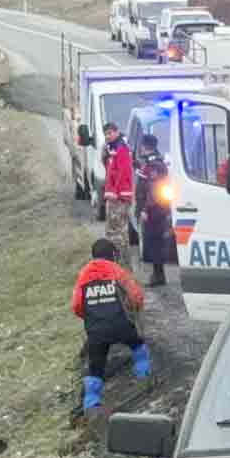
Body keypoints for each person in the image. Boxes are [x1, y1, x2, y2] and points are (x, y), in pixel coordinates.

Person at [72, 238, 149, 411]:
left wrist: (92, 316)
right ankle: (144, 374)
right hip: (121, 325)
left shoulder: (84, 275)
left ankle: (91, 403)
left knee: (95, 367)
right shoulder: (116, 270)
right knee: (137, 345)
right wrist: (134, 310)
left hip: (96, 332)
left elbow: (76, 306)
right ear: (112, 255)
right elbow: (136, 296)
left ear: (93, 256)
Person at [134, 133, 170, 287]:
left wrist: (145, 210)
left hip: (154, 210)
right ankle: (157, 274)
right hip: (155, 209)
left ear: (144, 146)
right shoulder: (151, 162)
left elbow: (152, 190)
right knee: (155, 243)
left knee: (155, 243)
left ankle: (158, 276)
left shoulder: (154, 165)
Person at [102, 122, 134, 267]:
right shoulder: (112, 148)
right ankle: (117, 265)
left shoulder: (121, 149)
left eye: (110, 133)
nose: (108, 136)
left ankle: (123, 266)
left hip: (119, 197)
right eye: (106, 134)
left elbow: (123, 172)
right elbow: (110, 171)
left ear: (116, 132)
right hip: (114, 196)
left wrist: (115, 192)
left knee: (119, 233)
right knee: (112, 232)